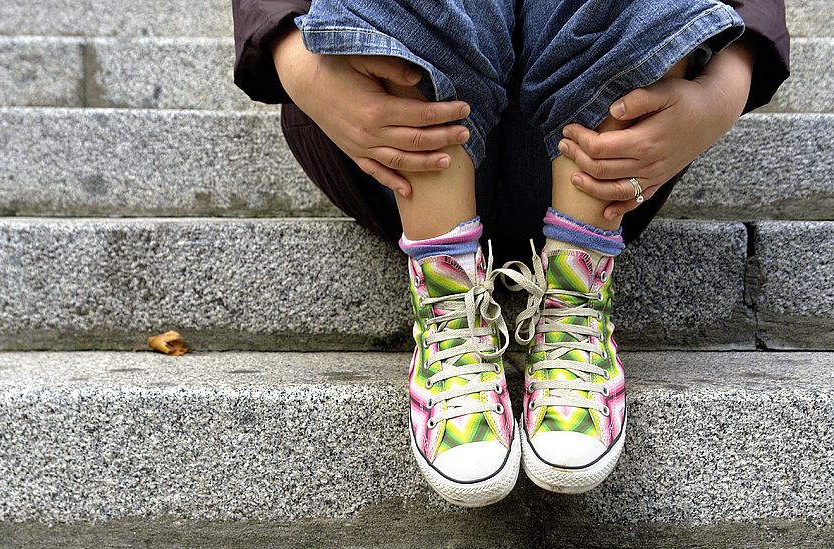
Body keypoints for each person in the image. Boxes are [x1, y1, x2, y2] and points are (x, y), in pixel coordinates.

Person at [231, 0, 790, 507]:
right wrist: (293, 58)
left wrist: (728, 83)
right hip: (387, 148)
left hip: (616, 160)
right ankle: (449, 305)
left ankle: (574, 299)